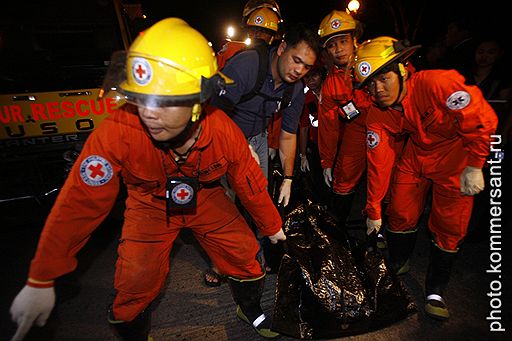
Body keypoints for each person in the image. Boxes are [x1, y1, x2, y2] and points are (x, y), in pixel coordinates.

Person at [9, 18, 286, 340]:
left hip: (206, 198)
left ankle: (250, 309)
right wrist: (41, 278)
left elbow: (248, 181)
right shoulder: (118, 131)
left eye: (163, 102)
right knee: (136, 279)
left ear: (198, 102)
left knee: (244, 254)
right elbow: (79, 203)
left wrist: (271, 226)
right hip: (149, 203)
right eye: (140, 99)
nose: (148, 113)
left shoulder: (223, 131)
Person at [354, 36, 498, 320]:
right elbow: (379, 163)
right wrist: (373, 210)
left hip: (455, 159)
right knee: (399, 211)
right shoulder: (378, 114)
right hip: (416, 156)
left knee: (450, 226)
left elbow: (480, 116)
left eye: (383, 78)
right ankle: (400, 260)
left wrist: (475, 163)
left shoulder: (437, 83)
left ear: (403, 70)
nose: (378, 89)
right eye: (370, 83)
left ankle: (435, 290)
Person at [205, 0, 283, 287]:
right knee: (224, 204)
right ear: (247, 27)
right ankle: (221, 263)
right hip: (227, 138)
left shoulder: (275, 60)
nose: (261, 37)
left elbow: (273, 104)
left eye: (266, 34)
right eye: (256, 31)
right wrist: (231, 141)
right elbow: (215, 101)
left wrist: (271, 142)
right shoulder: (233, 55)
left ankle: (256, 253)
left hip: (258, 138)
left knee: (256, 197)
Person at [317, 10, 369, 231]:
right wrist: (326, 162)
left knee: (395, 188)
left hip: (390, 129)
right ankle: (336, 235)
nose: (338, 49)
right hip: (356, 132)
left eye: (342, 41)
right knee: (342, 179)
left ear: (354, 40)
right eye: (331, 45)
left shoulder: (374, 60)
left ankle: (380, 233)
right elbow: (328, 126)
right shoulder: (331, 83)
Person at [298, 64, 330, 205]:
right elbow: (304, 127)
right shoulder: (306, 99)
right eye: (306, 77)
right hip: (317, 146)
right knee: (319, 182)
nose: (310, 80)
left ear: (321, 75)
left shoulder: (332, 93)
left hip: (336, 146)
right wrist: (303, 154)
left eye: (314, 76)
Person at [216, 0, 282, 69]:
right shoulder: (231, 49)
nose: (257, 34)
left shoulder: (277, 64)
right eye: (253, 29)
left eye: (264, 31)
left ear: (274, 36)